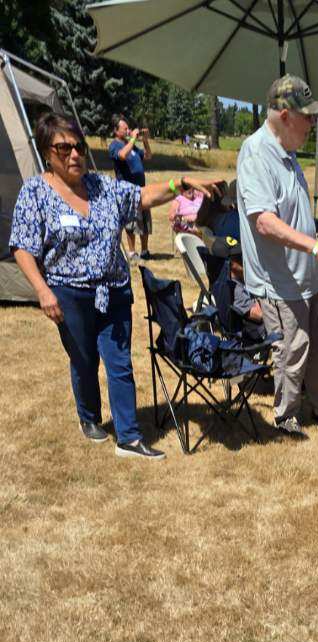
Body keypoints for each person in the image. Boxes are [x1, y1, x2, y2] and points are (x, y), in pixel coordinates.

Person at [11, 112, 218, 459]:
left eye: (79, 147)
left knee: (120, 362)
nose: (75, 154)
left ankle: (129, 438)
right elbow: (22, 247)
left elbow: (142, 196)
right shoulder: (35, 192)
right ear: (47, 152)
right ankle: (89, 416)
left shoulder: (101, 186)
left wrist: (180, 184)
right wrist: (42, 291)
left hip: (114, 290)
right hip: (69, 293)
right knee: (84, 360)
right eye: (64, 148)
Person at [236, 74, 318, 437]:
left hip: (306, 275)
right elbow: (264, 222)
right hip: (279, 280)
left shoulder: (288, 153)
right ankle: (286, 417)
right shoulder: (256, 153)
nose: (312, 123)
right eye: (307, 116)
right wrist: (315, 247)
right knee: (292, 351)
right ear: (285, 115)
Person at [108, 114, 152, 260]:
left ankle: (145, 251)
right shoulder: (115, 145)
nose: (128, 130)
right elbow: (121, 155)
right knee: (131, 223)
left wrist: (145, 140)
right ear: (116, 130)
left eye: (128, 128)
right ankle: (132, 253)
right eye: (125, 128)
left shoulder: (131, 145)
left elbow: (148, 156)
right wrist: (132, 139)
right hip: (128, 191)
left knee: (144, 221)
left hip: (141, 189)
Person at [210, 236, 268, 344]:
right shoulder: (234, 289)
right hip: (256, 333)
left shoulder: (221, 280)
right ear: (229, 264)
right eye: (239, 257)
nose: (243, 259)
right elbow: (259, 315)